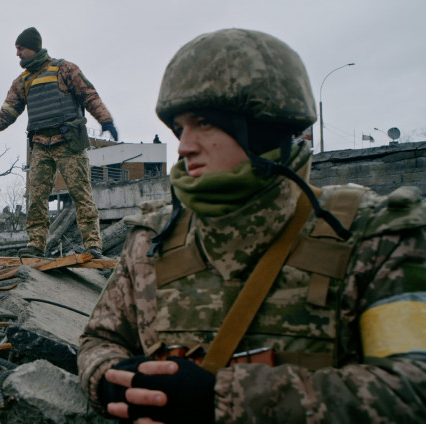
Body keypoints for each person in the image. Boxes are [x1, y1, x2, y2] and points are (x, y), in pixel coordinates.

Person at [78, 28, 426, 423]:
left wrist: (224, 400)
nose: (184, 146)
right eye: (180, 128)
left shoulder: (375, 235)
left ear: (262, 126)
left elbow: (412, 389)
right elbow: (99, 340)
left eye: (204, 123)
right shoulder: (152, 239)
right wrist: (110, 380)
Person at [0, 27, 117, 259]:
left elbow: (89, 95)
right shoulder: (22, 81)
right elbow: (5, 116)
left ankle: (93, 245)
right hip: (41, 146)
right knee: (36, 199)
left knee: (81, 195)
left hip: (69, 143)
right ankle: (35, 244)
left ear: (33, 47)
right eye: (16, 49)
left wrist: (105, 120)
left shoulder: (64, 69)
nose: (17, 54)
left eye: (21, 48)